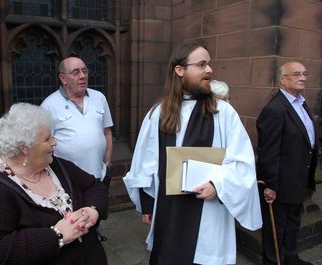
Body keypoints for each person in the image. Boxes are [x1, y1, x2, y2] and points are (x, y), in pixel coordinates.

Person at [123, 41, 262, 265]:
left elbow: (243, 162)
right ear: (180, 70)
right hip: (168, 210)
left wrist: (217, 184)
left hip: (208, 212)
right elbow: (145, 162)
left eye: (209, 64)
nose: (210, 70)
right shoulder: (158, 113)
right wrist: (147, 204)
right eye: (201, 64)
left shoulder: (223, 113)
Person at [0, 103, 108, 265]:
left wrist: (93, 210)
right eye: (47, 138)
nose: (54, 142)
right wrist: (56, 235)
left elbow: (93, 186)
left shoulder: (54, 165)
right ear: (25, 148)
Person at [257, 62, 318, 265]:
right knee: (277, 229)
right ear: (283, 79)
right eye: (296, 74)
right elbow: (268, 152)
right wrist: (270, 185)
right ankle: (274, 262)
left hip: (298, 180)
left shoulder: (301, 103)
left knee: (293, 225)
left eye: (304, 74)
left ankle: (291, 259)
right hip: (280, 184)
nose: (303, 77)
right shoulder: (274, 109)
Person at [41, 56, 113, 188]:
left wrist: (107, 164)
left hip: (100, 176)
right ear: (63, 79)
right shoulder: (49, 105)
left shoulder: (99, 98)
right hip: (69, 181)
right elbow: (43, 144)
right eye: (76, 72)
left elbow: (107, 132)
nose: (82, 76)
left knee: (99, 208)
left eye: (85, 71)